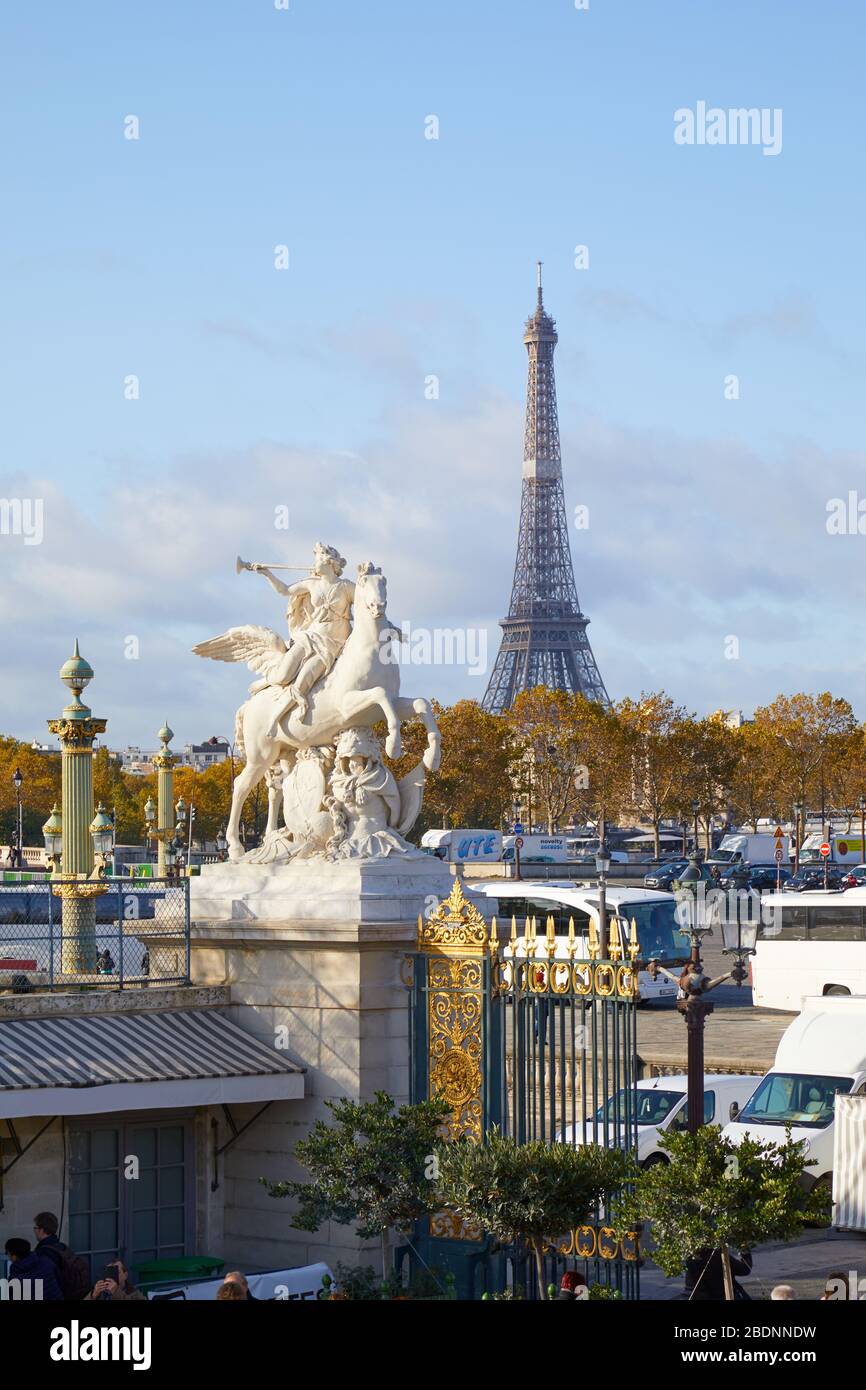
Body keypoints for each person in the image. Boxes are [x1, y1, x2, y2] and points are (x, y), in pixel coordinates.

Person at [33, 1211, 89, 1300]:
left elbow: (45, 1283)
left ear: (42, 1230)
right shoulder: (62, 1246)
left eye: (35, 1228)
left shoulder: (43, 1253)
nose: (34, 1231)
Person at [683, 1247, 752, 1300]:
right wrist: (744, 1248)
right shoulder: (716, 1254)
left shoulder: (691, 1257)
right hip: (720, 1295)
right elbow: (745, 1269)